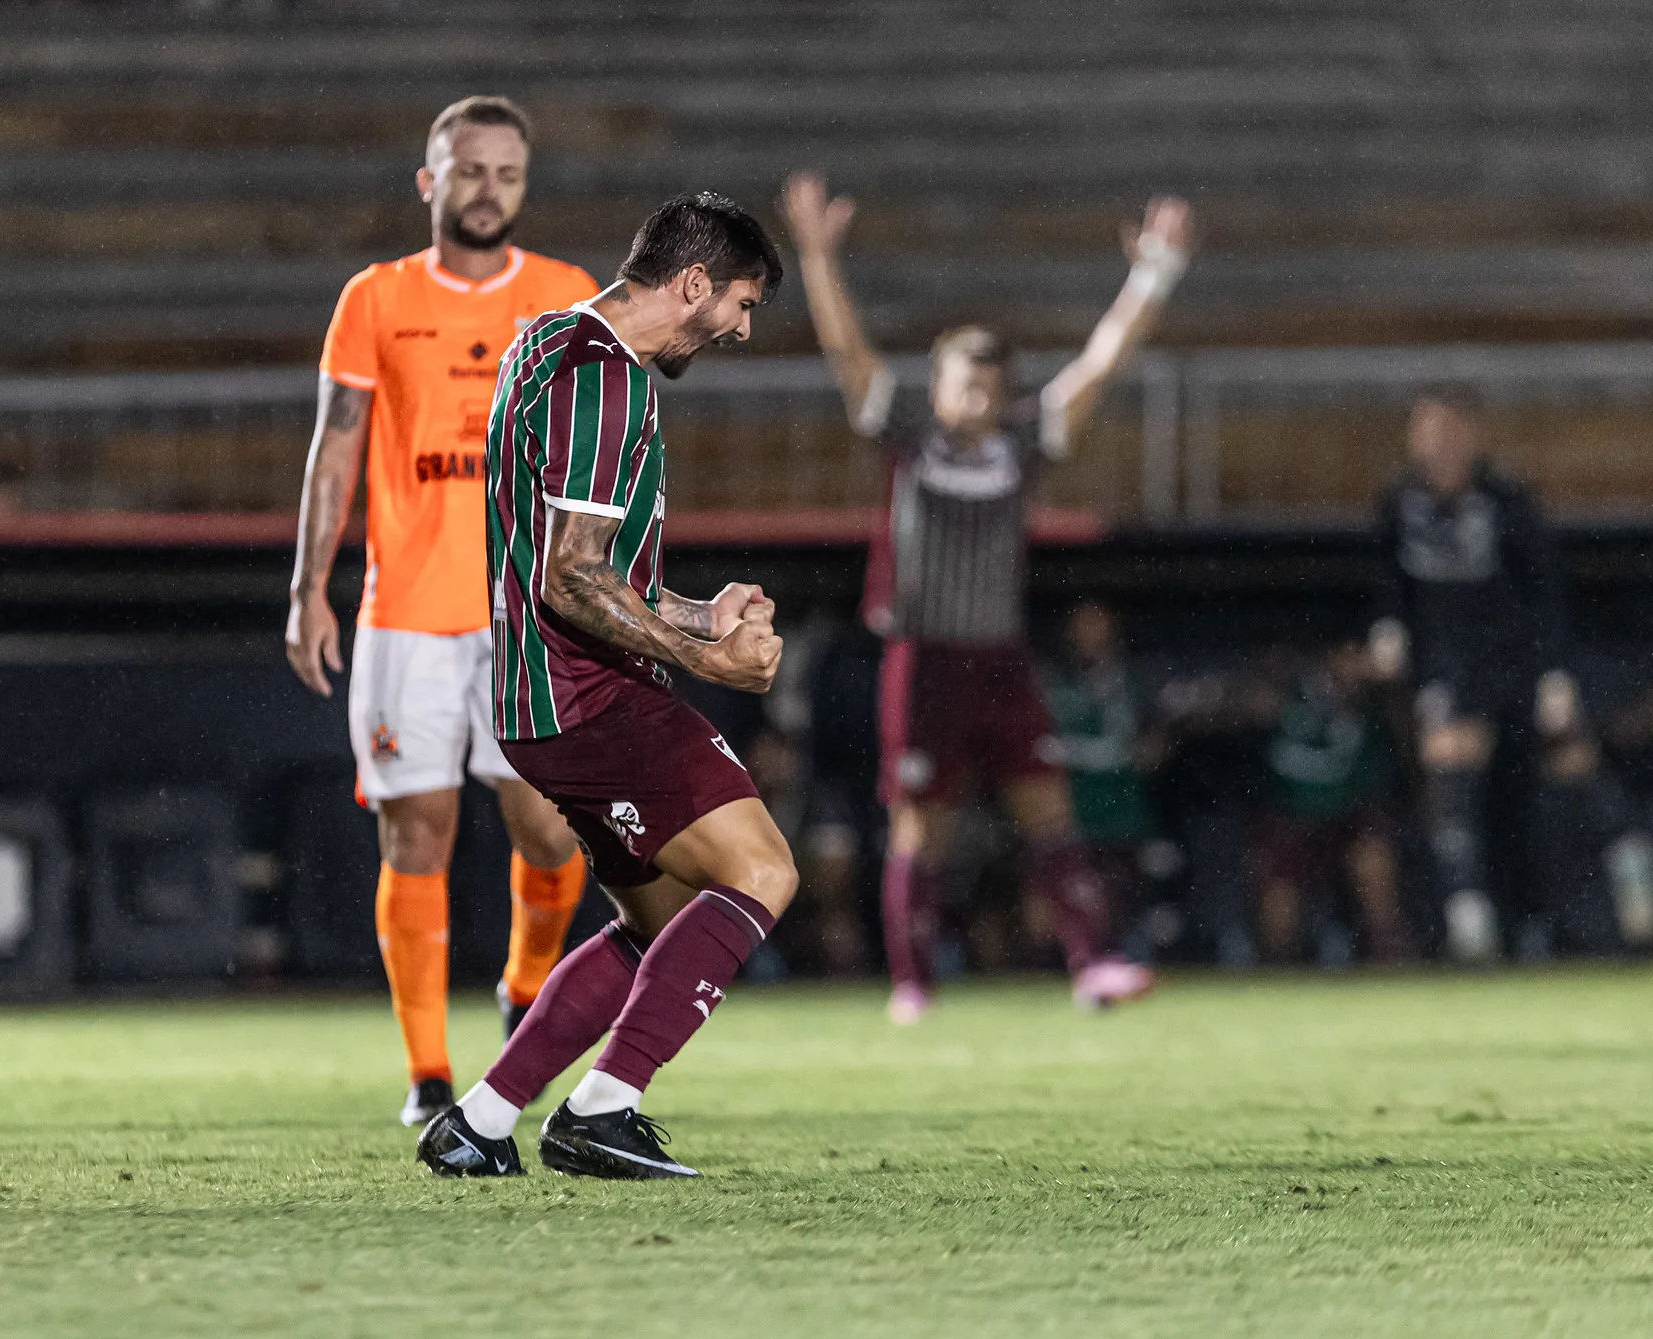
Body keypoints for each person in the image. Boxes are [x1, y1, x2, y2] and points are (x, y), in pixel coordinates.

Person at [416, 192, 787, 1180]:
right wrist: (711, 663)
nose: (741, 331)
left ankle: (477, 1122)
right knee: (762, 872)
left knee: (657, 923)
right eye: (742, 304)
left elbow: (594, 568)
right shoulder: (606, 378)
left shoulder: (547, 343)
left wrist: (697, 615)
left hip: (538, 699)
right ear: (694, 283)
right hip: (585, 696)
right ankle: (601, 1109)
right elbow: (572, 577)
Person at [781, 172, 1191, 1017]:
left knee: (1048, 809)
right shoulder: (909, 438)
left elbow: (1100, 366)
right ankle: (913, 983)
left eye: (987, 386)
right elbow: (849, 355)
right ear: (936, 388)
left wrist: (1153, 277)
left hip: (999, 655)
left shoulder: (1022, 445)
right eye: (962, 383)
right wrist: (818, 261)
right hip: (924, 654)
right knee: (921, 824)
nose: (975, 398)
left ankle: (1090, 964)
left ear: (1003, 394)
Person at [285, 97, 600, 1127]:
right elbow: (336, 447)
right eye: (468, 170)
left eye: (506, 173)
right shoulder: (376, 298)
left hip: (526, 617)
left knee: (547, 829)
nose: (487, 190)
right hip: (406, 614)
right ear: (430, 182)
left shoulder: (565, 298)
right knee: (415, 835)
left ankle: (523, 991)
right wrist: (307, 587)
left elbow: (600, 453)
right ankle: (427, 1075)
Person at [1367, 384, 1575, 961]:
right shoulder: (1399, 501)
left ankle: (1536, 922)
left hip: (1512, 667)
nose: (1437, 444)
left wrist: (1555, 674)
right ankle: (1467, 918)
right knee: (1452, 784)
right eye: (1426, 431)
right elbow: (1388, 581)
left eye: (1448, 430)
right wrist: (1388, 628)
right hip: (1445, 667)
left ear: (1472, 435)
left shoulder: (1506, 500)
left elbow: (1543, 592)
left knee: (1525, 793)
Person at [1253, 641, 1409, 964]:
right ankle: (1275, 967)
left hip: (1348, 811)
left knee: (1374, 854)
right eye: (1350, 656)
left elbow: (1403, 748)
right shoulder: (1290, 689)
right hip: (1292, 812)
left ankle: (1387, 956)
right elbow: (1250, 702)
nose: (1356, 666)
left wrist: (1391, 692)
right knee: (1280, 895)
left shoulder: (1376, 700)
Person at [1040, 600, 1166, 953]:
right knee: (1058, 899)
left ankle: (1117, 960)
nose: (1091, 632)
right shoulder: (1050, 679)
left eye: (1098, 622)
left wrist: (1146, 748)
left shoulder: (1135, 680)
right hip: (1068, 812)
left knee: (1118, 902)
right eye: (1083, 623)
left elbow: (1155, 744)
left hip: (1122, 812)